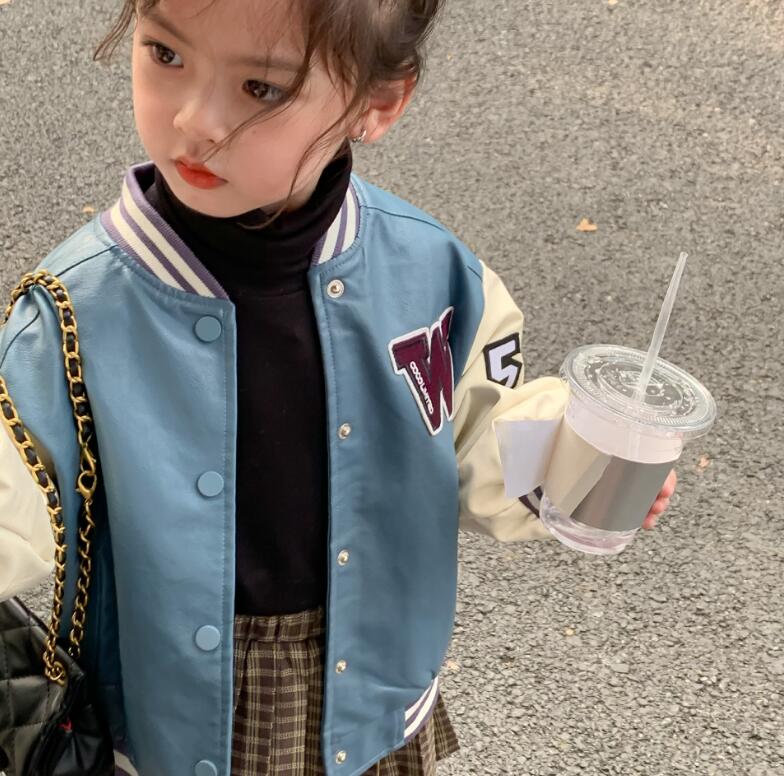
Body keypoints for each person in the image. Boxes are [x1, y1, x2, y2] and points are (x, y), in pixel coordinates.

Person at [0, 1, 677, 774]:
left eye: (261, 88)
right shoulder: (75, 312)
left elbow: (478, 432)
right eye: (166, 53)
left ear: (376, 102)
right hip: (168, 712)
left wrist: (576, 463)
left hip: (373, 692)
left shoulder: (432, 276)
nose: (194, 120)